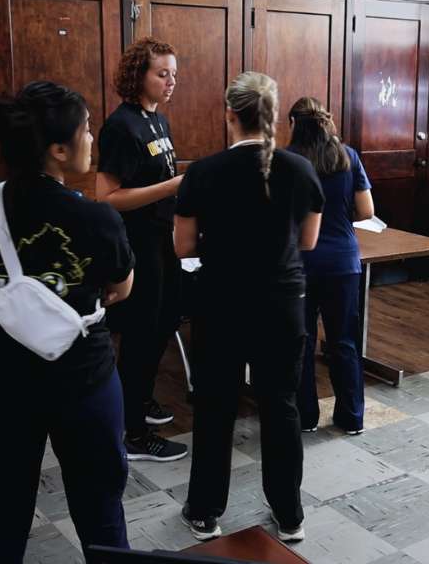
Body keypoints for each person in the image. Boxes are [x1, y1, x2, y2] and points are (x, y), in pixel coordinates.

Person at [0, 81, 135, 562]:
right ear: (57, 149)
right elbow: (120, 288)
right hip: (83, 379)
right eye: (87, 130)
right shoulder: (96, 219)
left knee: (0, 509)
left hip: (0, 378)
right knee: (101, 509)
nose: (92, 139)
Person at [174, 72, 323, 542]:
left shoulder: (203, 171)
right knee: (280, 405)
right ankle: (290, 514)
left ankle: (204, 511)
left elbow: (182, 247)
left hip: (220, 303)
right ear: (273, 116)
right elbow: (309, 240)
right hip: (281, 303)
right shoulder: (299, 170)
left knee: (216, 405)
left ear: (230, 115)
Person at [96, 37, 187, 462]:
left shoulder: (159, 121)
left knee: (162, 325)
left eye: (173, 74)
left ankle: (141, 398)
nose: (171, 81)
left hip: (163, 242)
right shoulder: (120, 125)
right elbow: (107, 196)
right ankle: (132, 432)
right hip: (138, 246)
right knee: (139, 335)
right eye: (162, 73)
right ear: (139, 76)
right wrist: (173, 186)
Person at [287, 97, 374, 435]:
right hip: (342, 262)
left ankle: (305, 416)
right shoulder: (347, 156)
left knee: (302, 342)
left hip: (300, 262)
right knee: (345, 341)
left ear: (294, 123)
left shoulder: (287, 160)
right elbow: (366, 211)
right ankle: (351, 417)